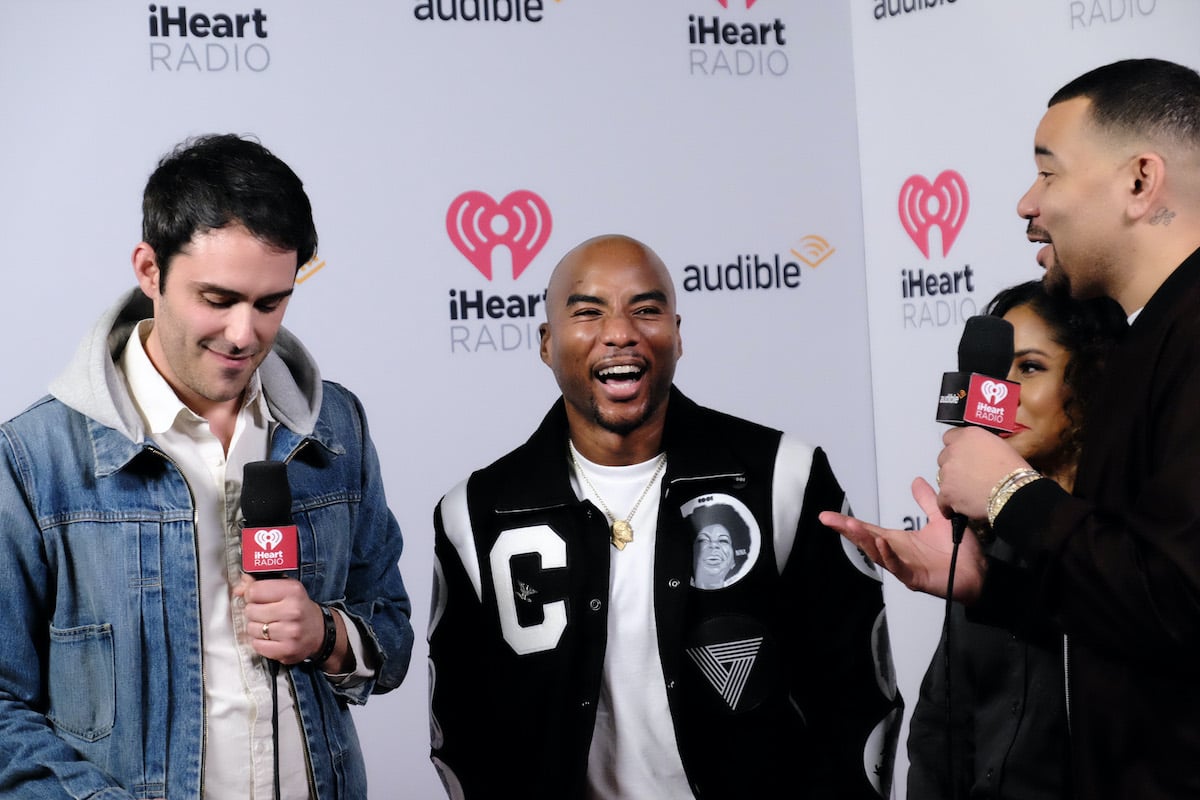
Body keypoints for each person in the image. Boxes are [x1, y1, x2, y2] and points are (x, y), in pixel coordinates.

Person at [821, 58, 1200, 799]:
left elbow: (1182, 603)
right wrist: (989, 592)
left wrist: (1010, 493)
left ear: (1139, 181)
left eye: (1049, 173)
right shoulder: (1150, 340)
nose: (1029, 203)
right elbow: (1135, 616)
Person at [0, 134, 414, 798]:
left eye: (270, 303)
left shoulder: (335, 427)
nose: (245, 333)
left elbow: (389, 631)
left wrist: (327, 634)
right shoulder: (33, 459)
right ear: (149, 269)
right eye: (218, 299)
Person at [427, 233, 903, 799]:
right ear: (546, 342)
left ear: (677, 335)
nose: (621, 333)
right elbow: (462, 729)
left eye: (647, 310)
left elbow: (853, 697)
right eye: (588, 312)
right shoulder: (476, 513)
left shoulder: (784, 476)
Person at [906, 279, 1125, 800]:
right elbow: (941, 732)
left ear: (1092, 377)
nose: (997, 395)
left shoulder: (1123, 547)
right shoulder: (985, 544)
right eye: (994, 373)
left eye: (1029, 368)